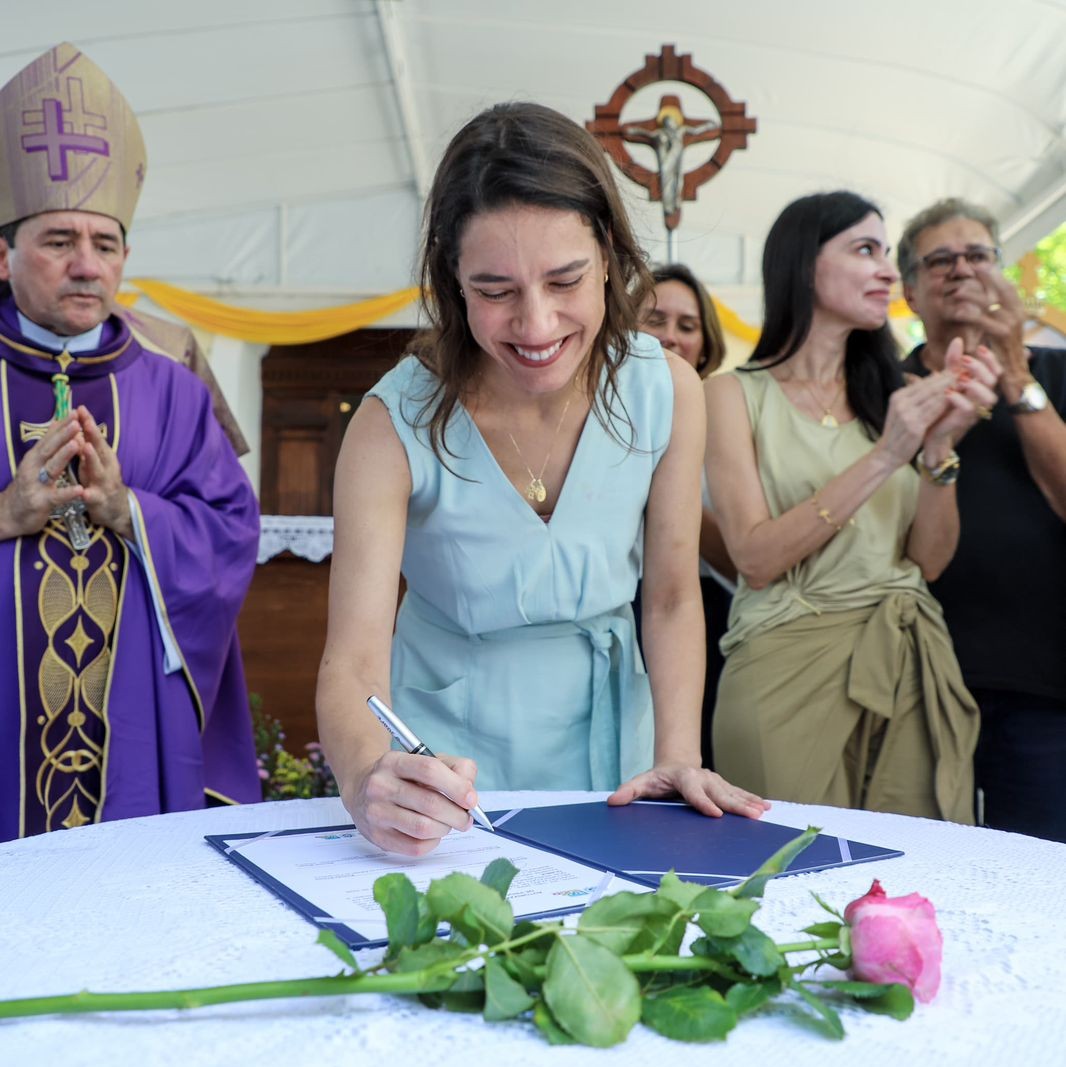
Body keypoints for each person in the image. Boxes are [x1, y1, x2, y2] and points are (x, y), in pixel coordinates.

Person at [316, 102, 769, 856]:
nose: (536, 325)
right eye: (495, 290)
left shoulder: (669, 391)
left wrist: (678, 754)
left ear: (612, 258)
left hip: (619, 751)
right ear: (451, 281)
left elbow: (669, 595)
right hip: (447, 769)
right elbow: (353, 658)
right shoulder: (388, 424)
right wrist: (371, 777)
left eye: (566, 280)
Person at [0, 43, 261, 841]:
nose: (86, 264)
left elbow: (230, 529)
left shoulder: (173, 389)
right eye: (58, 240)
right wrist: (5, 514)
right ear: (3, 253)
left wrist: (130, 510)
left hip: (131, 725)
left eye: (105, 244)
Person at [704, 190, 1000, 822]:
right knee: (784, 884)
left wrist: (939, 451)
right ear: (802, 265)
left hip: (906, 658)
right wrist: (888, 455)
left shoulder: (901, 396)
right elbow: (754, 558)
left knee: (912, 885)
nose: (890, 273)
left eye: (887, 254)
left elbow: (929, 560)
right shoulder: (731, 395)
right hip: (783, 669)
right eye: (866, 250)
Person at [898, 198, 1066, 842]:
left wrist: (1015, 373)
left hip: (1043, 688)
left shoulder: (1050, 373)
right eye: (939, 261)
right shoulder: (882, 387)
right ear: (909, 291)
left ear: (1004, 274)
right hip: (918, 678)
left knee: (1042, 882)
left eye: (978, 257)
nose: (961, 271)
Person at [641, 263, 735, 769]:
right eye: (655, 319)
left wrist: (670, 500)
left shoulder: (725, 420)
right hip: (619, 610)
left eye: (687, 325)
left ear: (706, 342)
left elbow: (742, 560)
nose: (671, 337)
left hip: (706, 608)